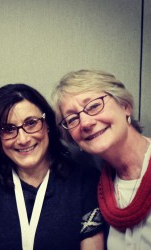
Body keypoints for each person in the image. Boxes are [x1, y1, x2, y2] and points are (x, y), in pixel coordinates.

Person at [0, 83, 104, 250]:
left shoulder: (84, 183)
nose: (22, 139)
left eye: (31, 123)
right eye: (8, 129)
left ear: (48, 123)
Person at [51, 69, 151, 249]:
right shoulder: (96, 187)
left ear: (125, 106)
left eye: (94, 106)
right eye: (72, 119)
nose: (86, 123)